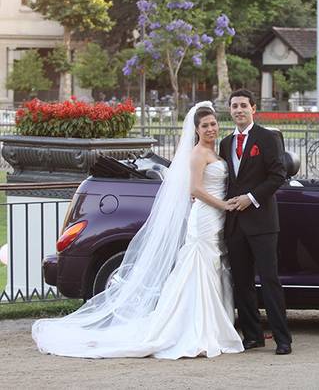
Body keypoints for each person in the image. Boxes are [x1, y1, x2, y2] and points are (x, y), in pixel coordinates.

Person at [31, 102, 244, 359]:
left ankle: (212, 324)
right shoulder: (198, 153)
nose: (211, 128)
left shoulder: (217, 150)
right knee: (200, 269)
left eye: (213, 124)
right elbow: (195, 190)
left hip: (217, 218)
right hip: (207, 217)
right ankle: (197, 327)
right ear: (196, 130)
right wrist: (223, 205)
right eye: (205, 125)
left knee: (212, 268)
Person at [220, 89, 292, 355]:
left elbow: (277, 176)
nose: (239, 110)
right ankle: (252, 335)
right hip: (235, 223)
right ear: (230, 110)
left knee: (270, 280)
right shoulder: (225, 143)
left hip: (262, 222)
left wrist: (251, 198)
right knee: (242, 282)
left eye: (243, 106)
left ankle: (283, 339)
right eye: (234, 106)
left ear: (253, 109)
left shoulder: (267, 138)